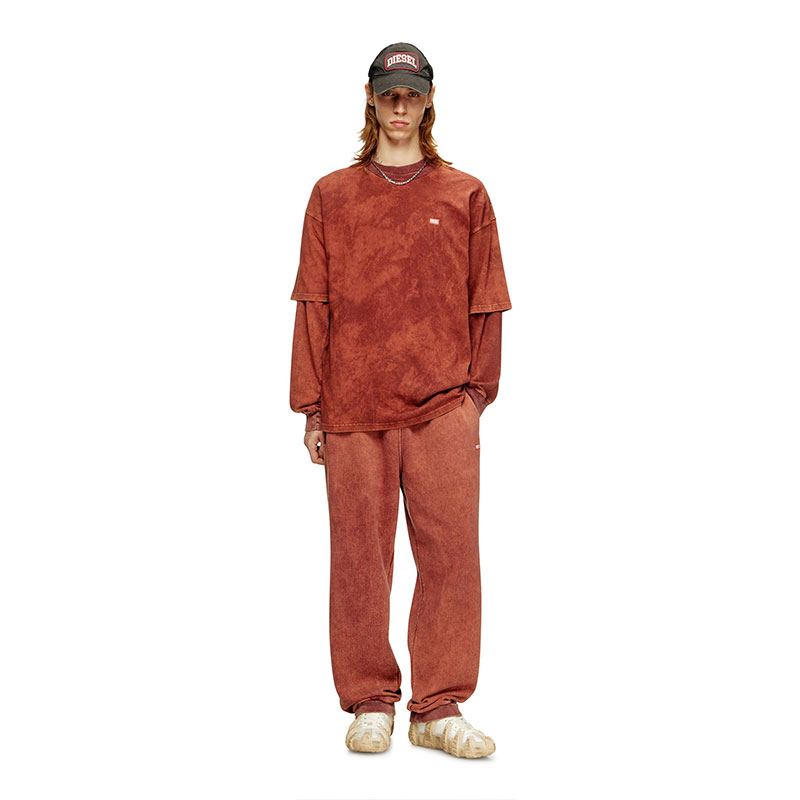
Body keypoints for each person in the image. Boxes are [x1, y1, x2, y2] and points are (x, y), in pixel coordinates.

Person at [289, 42, 512, 759]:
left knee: (452, 557)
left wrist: (475, 397)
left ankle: (438, 708)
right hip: (353, 405)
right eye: (389, 93)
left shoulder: (465, 194)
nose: (399, 106)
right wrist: (312, 406)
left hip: (444, 405)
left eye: (411, 94)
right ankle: (369, 701)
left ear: (428, 100)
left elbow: (487, 300)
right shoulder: (331, 195)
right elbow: (313, 302)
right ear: (370, 96)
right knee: (359, 557)